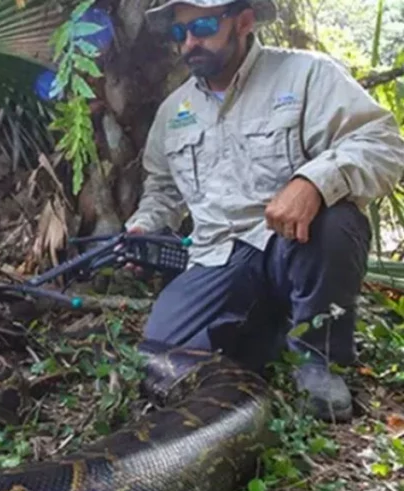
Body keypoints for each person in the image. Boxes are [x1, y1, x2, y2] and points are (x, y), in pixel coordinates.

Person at [127, 0, 404, 422]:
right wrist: (144, 226)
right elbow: (162, 189)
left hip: (292, 243)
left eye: (201, 25)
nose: (190, 42)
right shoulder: (173, 112)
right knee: (159, 357)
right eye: (179, 33)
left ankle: (320, 361)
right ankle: (267, 337)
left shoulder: (307, 74)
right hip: (216, 257)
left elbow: (382, 143)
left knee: (336, 220)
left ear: (243, 21)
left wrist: (313, 182)